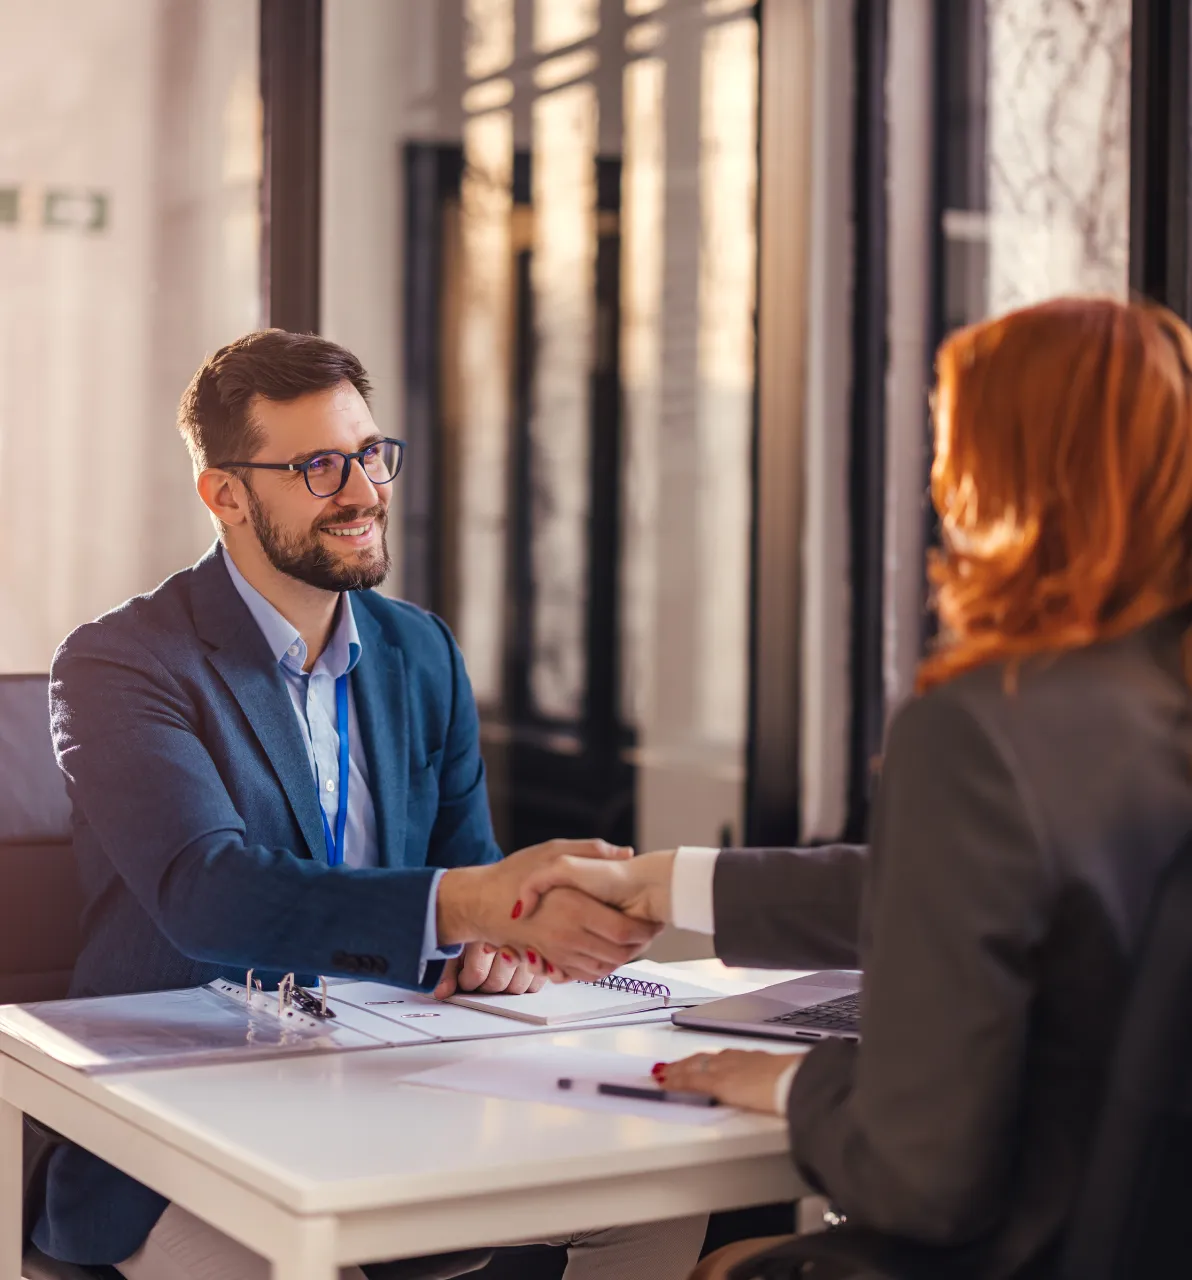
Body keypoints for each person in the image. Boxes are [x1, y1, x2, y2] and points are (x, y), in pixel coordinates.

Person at [518, 297, 1192, 1279]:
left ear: (1005, 478)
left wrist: (797, 1083)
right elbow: (974, 884)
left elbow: (922, 1176)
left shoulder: (979, 730)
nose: (937, 480)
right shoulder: (1146, 711)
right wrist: (671, 881)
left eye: (950, 443)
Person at [36, 331, 705, 1280]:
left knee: (657, 1203)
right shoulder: (123, 663)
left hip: (400, 1090)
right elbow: (208, 896)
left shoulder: (419, 651)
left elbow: (468, 879)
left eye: (368, 454)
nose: (361, 491)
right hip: (178, 1133)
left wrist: (510, 938)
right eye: (317, 467)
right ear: (226, 494)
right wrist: (468, 905)